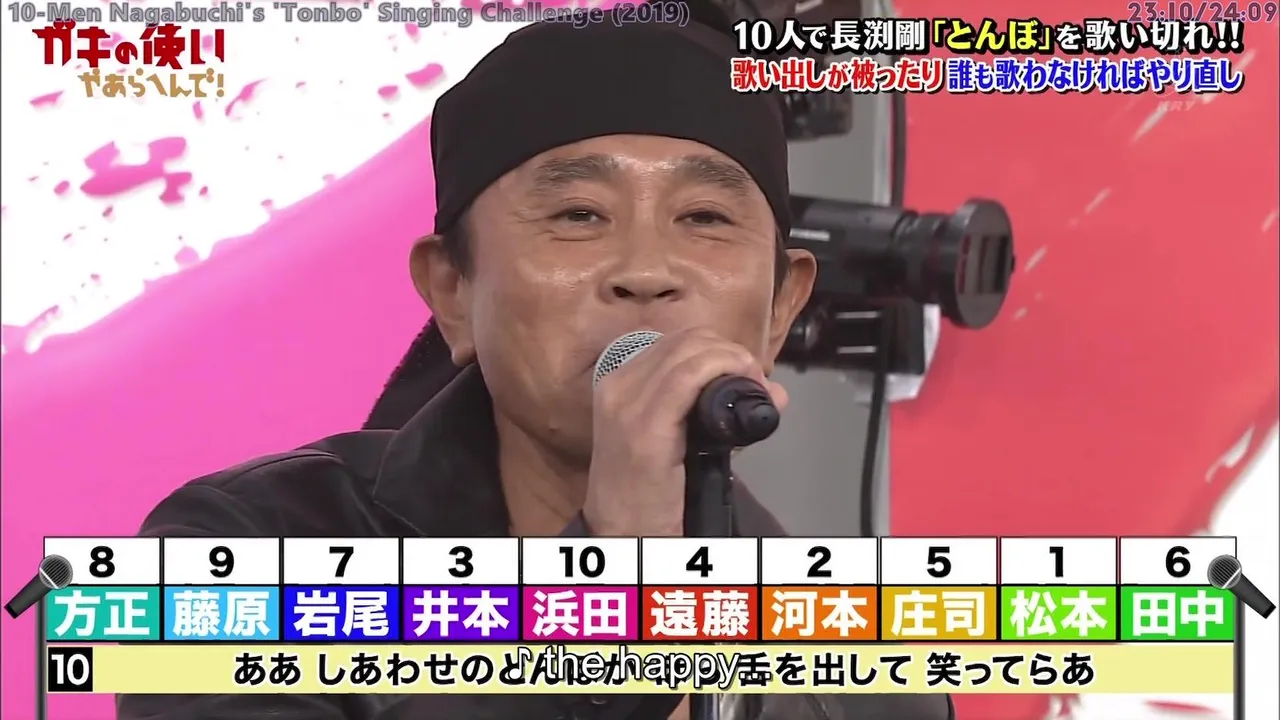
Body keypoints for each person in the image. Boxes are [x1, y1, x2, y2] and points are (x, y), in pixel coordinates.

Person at [120, 7, 954, 720]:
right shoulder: (245, 553)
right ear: (452, 289)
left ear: (781, 307)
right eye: (579, 215)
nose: (647, 271)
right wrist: (612, 581)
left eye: (704, 217)